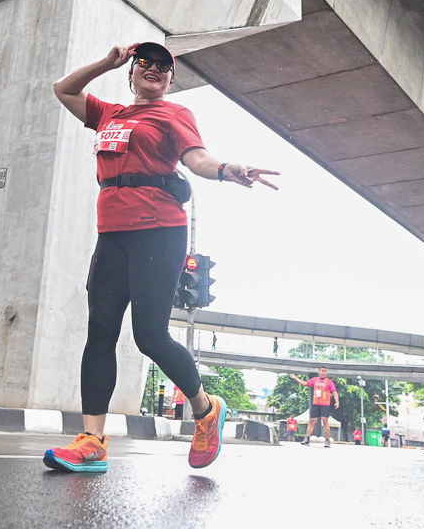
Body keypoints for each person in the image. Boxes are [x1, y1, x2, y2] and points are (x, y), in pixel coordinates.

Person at [43, 42, 279, 475]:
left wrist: (227, 170)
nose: (153, 69)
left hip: (159, 229)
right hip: (111, 234)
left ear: (171, 80)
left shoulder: (174, 114)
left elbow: (198, 158)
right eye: (145, 63)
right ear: (131, 72)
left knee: (149, 336)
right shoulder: (108, 113)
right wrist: (107, 61)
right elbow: (64, 89)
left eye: (163, 67)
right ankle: (93, 441)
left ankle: (205, 408)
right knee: (100, 332)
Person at [292, 368, 339, 447]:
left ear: (326, 373)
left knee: (325, 421)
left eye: (325, 371)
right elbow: (305, 383)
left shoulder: (329, 381)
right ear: (319, 372)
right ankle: (307, 439)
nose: (323, 373)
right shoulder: (315, 380)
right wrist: (295, 377)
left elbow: (334, 391)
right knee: (312, 421)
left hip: (325, 404)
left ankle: (327, 440)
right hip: (316, 403)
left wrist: (337, 401)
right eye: (322, 371)